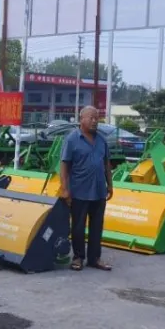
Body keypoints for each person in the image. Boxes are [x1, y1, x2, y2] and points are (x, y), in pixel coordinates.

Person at [59, 106, 113, 271]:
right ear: (81, 119)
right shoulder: (72, 140)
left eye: (97, 118)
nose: (94, 121)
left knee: (97, 227)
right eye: (91, 118)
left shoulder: (102, 140)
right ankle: (78, 257)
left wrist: (110, 185)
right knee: (78, 227)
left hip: (99, 191)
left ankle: (95, 258)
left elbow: (106, 164)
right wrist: (65, 189)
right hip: (79, 191)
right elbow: (64, 165)